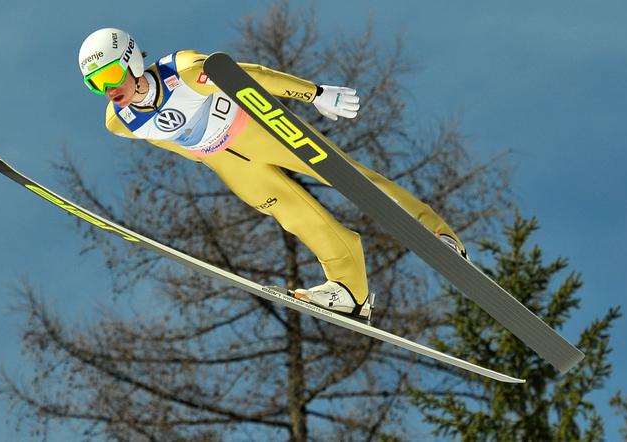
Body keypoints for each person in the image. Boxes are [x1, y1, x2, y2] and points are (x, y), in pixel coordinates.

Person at [78, 28, 467, 319]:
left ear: (129, 61)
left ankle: (437, 234)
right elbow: (172, 138)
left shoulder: (181, 70)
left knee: (351, 179)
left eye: (110, 76)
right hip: (229, 163)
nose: (108, 89)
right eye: (95, 84)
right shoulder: (119, 121)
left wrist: (314, 94)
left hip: (261, 131)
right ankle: (351, 291)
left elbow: (250, 75)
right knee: (297, 217)